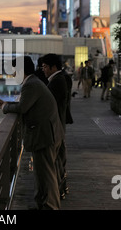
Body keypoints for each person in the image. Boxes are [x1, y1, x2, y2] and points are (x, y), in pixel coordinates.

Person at [0, 56, 64, 210]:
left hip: (44, 136)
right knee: (43, 175)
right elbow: (26, 104)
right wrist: (6, 103)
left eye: (13, 71)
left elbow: (22, 108)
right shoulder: (33, 83)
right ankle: (43, 204)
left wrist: (4, 108)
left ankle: (51, 206)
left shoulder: (30, 85)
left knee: (47, 176)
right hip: (46, 134)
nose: (12, 75)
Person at [41, 54, 72, 199]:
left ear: (54, 67)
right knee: (59, 159)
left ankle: (58, 192)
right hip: (59, 123)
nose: (43, 70)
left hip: (55, 125)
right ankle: (62, 188)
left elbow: (47, 104)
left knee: (56, 160)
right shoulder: (61, 78)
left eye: (45, 67)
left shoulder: (57, 81)